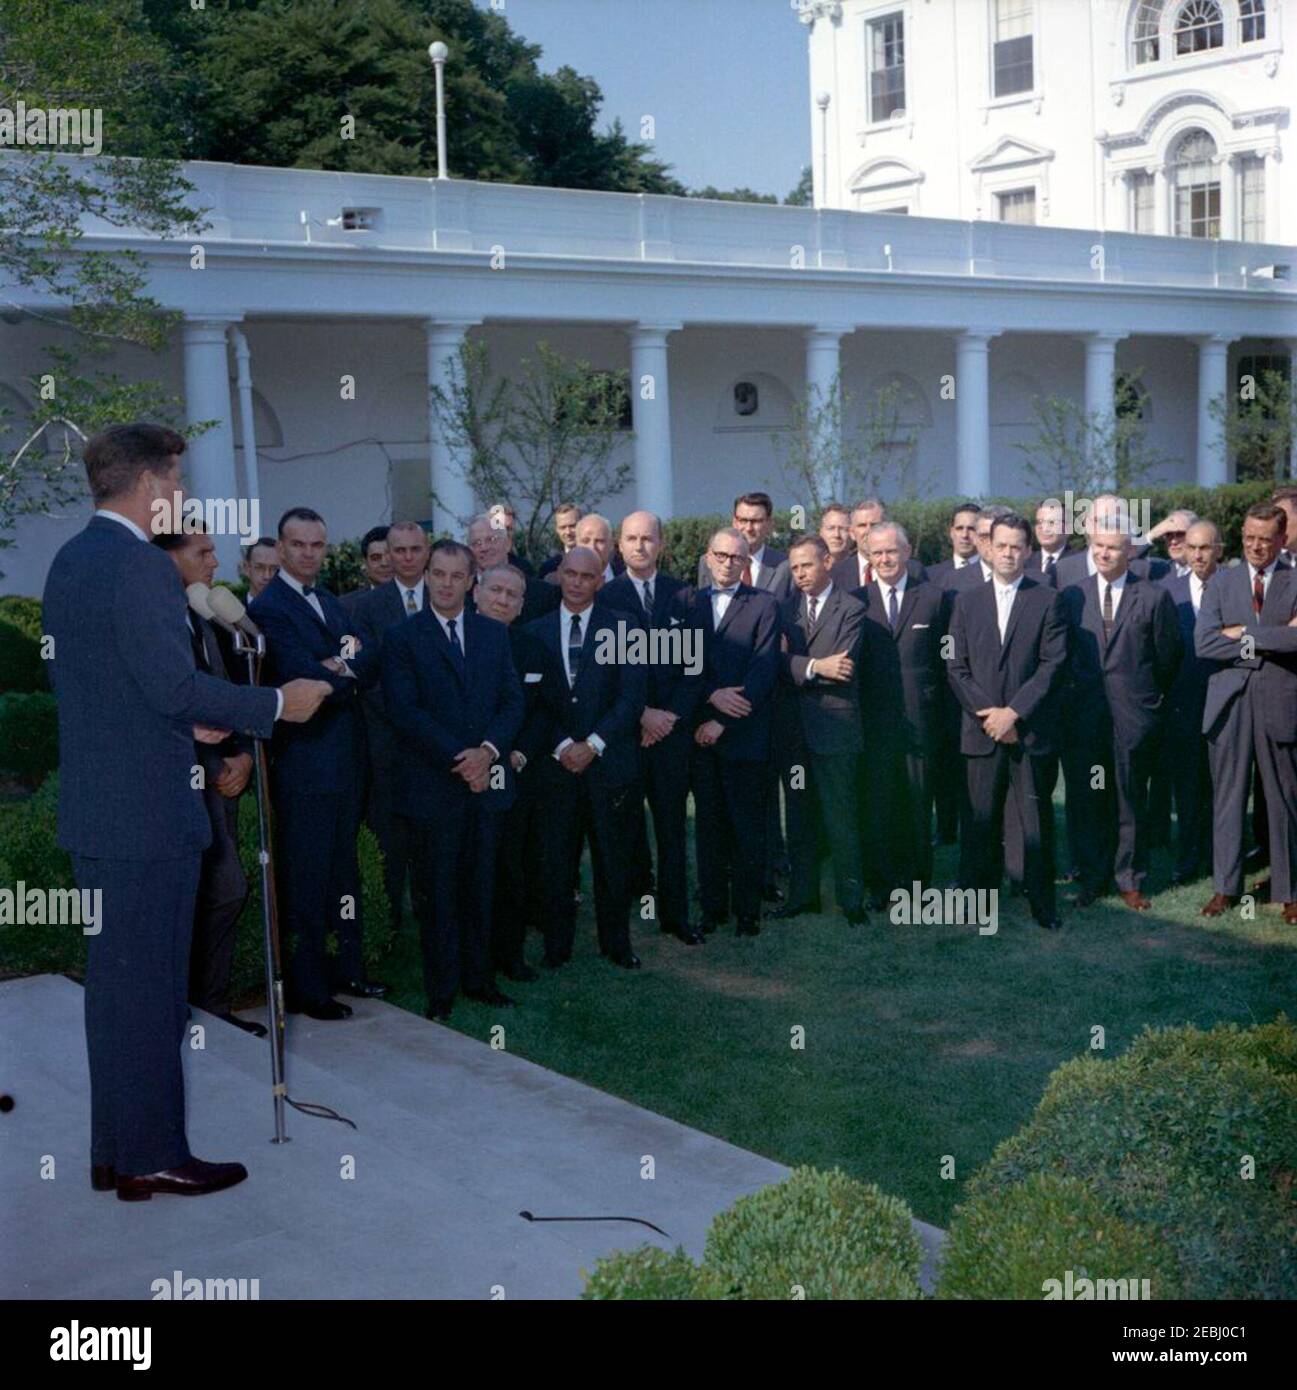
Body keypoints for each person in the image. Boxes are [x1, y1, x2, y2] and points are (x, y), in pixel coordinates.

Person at [43, 423, 329, 1200]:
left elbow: (121, 689)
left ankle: (116, 1152)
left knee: (117, 996)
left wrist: (193, 719)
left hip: (103, 817)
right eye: (177, 479)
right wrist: (276, 702)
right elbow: (171, 686)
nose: (183, 496)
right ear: (149, 484)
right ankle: (151, 1155)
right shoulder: (138, 565)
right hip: (145, 822)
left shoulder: (73, 558)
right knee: (151, 998)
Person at [251, 507, 388, 1019]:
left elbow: (369, 661)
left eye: (318, 545)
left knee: (343, 870)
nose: (309, 553)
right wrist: (338, 667)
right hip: (305, 765)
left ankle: (349, 966)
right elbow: (297, 672)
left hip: (346, 759)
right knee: (307, 874)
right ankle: (309, 987)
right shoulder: (270, 607)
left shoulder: (332, 603)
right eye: (299, 544)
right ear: (282, 548)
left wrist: (338, 667)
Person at [382, 540, 523, 1019]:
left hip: (485, 786)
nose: (444, 584)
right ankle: (441, 990)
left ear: (471, 582)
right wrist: (460, 758)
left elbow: (512, 703)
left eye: (454, 576)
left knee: (481, 885)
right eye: (436, 574)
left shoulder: (493, 635)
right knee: (438, 891)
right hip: (432, 787)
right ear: (427, 576)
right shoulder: (403, 638)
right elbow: (405, 711)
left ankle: (480, 980)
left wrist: (487, 753)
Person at [155, 525, 266, 1039]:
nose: (213, 562)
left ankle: (211, 1006)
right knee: (208, 892)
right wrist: (212, 761)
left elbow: (226, 692)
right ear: (169, 559)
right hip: (181, 785)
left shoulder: (206, 617)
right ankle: (181, 1008)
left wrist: (242, 755)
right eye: (202, 553)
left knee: (226, 891)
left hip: (223, 778)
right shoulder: (154, 621)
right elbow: (166, 704)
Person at [524, 547, 647, 968]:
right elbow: (533, 701)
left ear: (599, 581)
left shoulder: (625, 627)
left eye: (586, 576)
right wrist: (561, 746)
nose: (577, 583)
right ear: (558, 575)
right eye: (570, 574)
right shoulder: (535, 631)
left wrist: (592, 744)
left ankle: (617, 945)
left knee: (613, 860)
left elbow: (631, 699)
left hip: (608, 764)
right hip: (555, 767)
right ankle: (557, 947)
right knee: (556, 860)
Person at [947, 512, 1068, 931]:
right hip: (981, 731)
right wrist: (990, 716)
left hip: (1028, 731)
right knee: (979, 821)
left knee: (1035, 822)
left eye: (1018, 546)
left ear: (1029, 551)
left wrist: (1014, 713)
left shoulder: (1047, 599)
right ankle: (976, 901)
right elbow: (954, 665)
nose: (1009, 554)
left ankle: (1041, 904)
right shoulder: (965, 602)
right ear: (988, 547)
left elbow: (1053, 664)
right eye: (1001, 545)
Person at [1059, 522, 1182, 910]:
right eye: (1098, 546)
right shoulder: (1072, 596)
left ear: (1129, 552)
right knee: (1092, 795)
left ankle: (1130, 878)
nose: (1105, 553)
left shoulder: (1152, 597)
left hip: (1133, 719)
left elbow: (1167, 657)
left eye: (1113, 547)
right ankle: (1093, 876)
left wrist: (1144, 700)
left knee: (1129, 798)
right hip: (1088, 722)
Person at [1196, 504, 1297, 925]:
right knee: (1228, 798)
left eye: (1266, 538)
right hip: (1230, 706)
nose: (1257, 546)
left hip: (1280, 703)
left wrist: (1244, 634)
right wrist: (1275, 638)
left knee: (1284, 801)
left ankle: (1289, 890)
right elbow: (1205, 644)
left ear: (1282, 538)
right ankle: (1226, 887)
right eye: (1250, 537)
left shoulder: (1294, 580)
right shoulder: (1221, 582)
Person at [605, 511, 703, 944]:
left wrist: (667, 718)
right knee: (624, 828)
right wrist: (640, 713)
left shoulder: (684, 596)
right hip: (625, 734)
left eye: (648, 538)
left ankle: (675, 916)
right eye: (631, 538)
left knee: (671, 829)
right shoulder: (606, 597)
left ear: (661, 544)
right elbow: (604, 671)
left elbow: (694, 668)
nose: (640, 546)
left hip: (671, 735)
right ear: (619, 545)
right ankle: (623, 915)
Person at [686, 528, 781, 937]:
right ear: (708, 557)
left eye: (736, 558)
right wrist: (710, 697)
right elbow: (680, 664)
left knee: (747, 827)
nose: (727, 563)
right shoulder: (685, 603)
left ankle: (747, 911)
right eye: (721, 555)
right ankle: (712, 908)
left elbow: (763, 669)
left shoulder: (765, 604)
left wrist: (723, 719)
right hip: (700, 735)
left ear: (747, 563)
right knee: (708, 826)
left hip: (744, 734)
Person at [776, 535, 868, 925]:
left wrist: (794, 664)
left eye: (807, 565)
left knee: (840, 816)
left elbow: (843, 667)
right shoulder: (782, 609)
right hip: (794, 734)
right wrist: (815, 667)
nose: (800, 574)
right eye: (794, 567)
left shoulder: (852, 608)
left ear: (827, 562)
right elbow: (773, 661)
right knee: (798, 817)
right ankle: (803, 896)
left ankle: (852, 901)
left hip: (835, 731)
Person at [853, 522, 949, 900]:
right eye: (876, 553)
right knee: (878, 803)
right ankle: (880, 884)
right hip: (874, 723)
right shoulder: (855, 601)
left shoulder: (935, 598)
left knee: (917, 804)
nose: (884, 559)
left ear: (906, 552)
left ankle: (915, 884)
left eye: (891, 551)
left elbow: (948, 659)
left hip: (921, 721)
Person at [350, 521, 432, 936]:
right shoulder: (363, 608)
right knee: (390, 844)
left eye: (415, 549)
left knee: (434, 844)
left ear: (427, 550)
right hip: (387, 745)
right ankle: (388, 930)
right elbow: (367, 676)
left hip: (440, 748)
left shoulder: (449, 595)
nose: (406, 558)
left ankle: (433, 917)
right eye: (398, 551)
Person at [475, 563, 551, 981]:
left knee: (512, 865)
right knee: (475, 867)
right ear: (477, 592)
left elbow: (541, 710)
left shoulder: (532, 648)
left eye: (512, 595)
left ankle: (511, 953)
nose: (502, 600)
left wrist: (520, 752)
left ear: (521, 604)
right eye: (496, 591)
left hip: (515, 771)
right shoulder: (459, 642)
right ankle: (476, 955)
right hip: (467, 771)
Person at [1161, 519, 1222, 886]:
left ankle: (1221, 858)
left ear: (1219, 549)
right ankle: (1187, 858)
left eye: (1205, 547)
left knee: (1221, 786)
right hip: (1182, 705)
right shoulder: (1168, 591)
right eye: (1191, 547)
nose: (1197, 554)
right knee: (1186, 788)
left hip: (1224, 701)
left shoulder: (1233, 587)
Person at [830, 498, 926, 590]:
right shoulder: (835, 574)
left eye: (874, 525)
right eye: (862, 525)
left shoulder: (913, 571)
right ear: (852, 533)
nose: (868, 531)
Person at [340, 525, 392, 616]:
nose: (384, 563)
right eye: (376, 558)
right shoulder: (345, 606)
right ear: (365, 564)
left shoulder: (420, 600)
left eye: (390, 557)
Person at [1024, 500, 1069, 585]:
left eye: (1051, 522)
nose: (1044, 528)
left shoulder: (1081, 562)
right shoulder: (1024, 563)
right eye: (1039, 522)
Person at [573, 512, 624, 584]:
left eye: (599, 541)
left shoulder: (627, 580)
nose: (592, 547)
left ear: (611, 544)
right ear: (576, 544)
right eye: (585, 541)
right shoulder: (564, 583)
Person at [538, 503, 583, 579]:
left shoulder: (597, 560)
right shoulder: (549, 567)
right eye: (563, 527)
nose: (568, 532)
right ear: (557, 530)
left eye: (572, 526)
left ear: (582, 525)